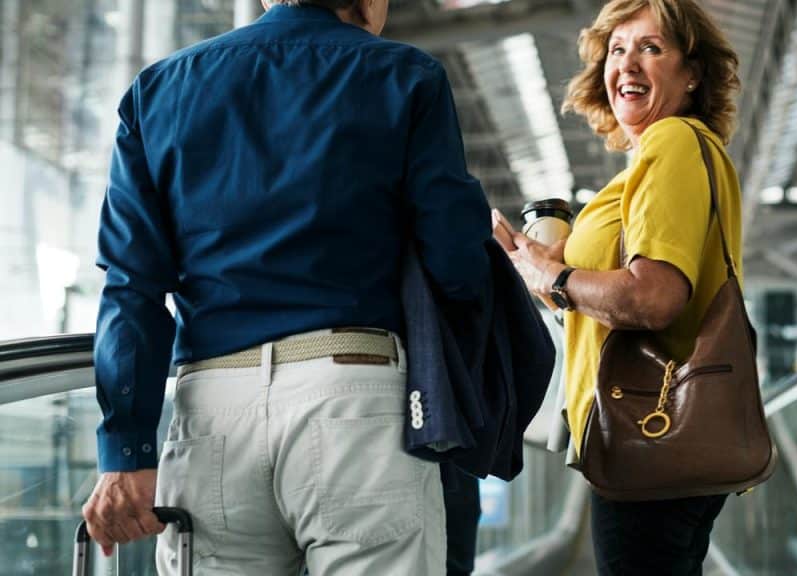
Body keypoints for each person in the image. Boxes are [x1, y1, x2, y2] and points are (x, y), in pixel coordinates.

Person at [81, 0, 493, 573]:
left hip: (211, 409)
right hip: (357, 396)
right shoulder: (405, 75)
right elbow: (457, 262)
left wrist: (126, 448)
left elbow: (131, 289)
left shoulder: (157, 90)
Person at [492, 0, 744, 573]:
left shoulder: (674, 142)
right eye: (617, 49)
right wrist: (549, 274)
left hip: (650, 436)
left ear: (692, 73)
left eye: (651, 48)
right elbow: (617, 289)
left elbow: (653, 298)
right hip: (652, 440)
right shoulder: (654, 160)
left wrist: (554, 274)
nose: (627, 63)